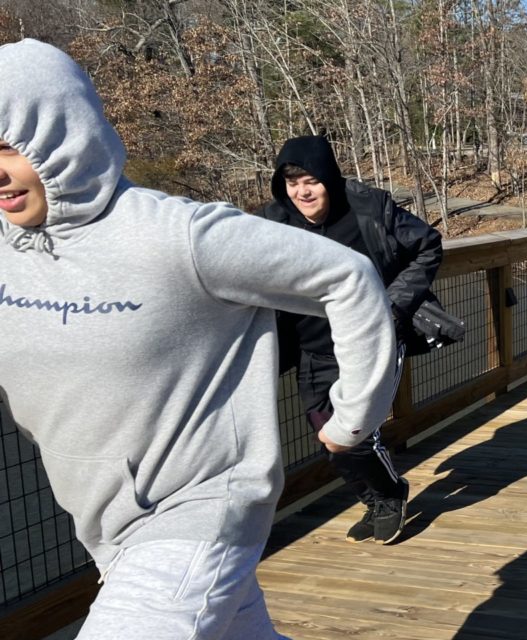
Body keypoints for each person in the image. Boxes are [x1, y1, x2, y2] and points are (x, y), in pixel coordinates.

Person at [0, 40, 400, 638]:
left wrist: (355, 418)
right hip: (101, 519)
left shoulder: (181, 236)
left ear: (60, 133)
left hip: (201, 508)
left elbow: (347, 276)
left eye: (6, 145)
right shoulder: (8, 251)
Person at [260, 135, 443, 545]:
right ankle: (378, 498)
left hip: (370, 341)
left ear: (328, 177)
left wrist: (391, 308)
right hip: (311, 347)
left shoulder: (369, 208)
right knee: (327, 435)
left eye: (311, 181)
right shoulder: (273, 221)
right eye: (292, 184)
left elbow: (427, 245)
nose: (302, 192)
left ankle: (389, 493)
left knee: (351, 431)